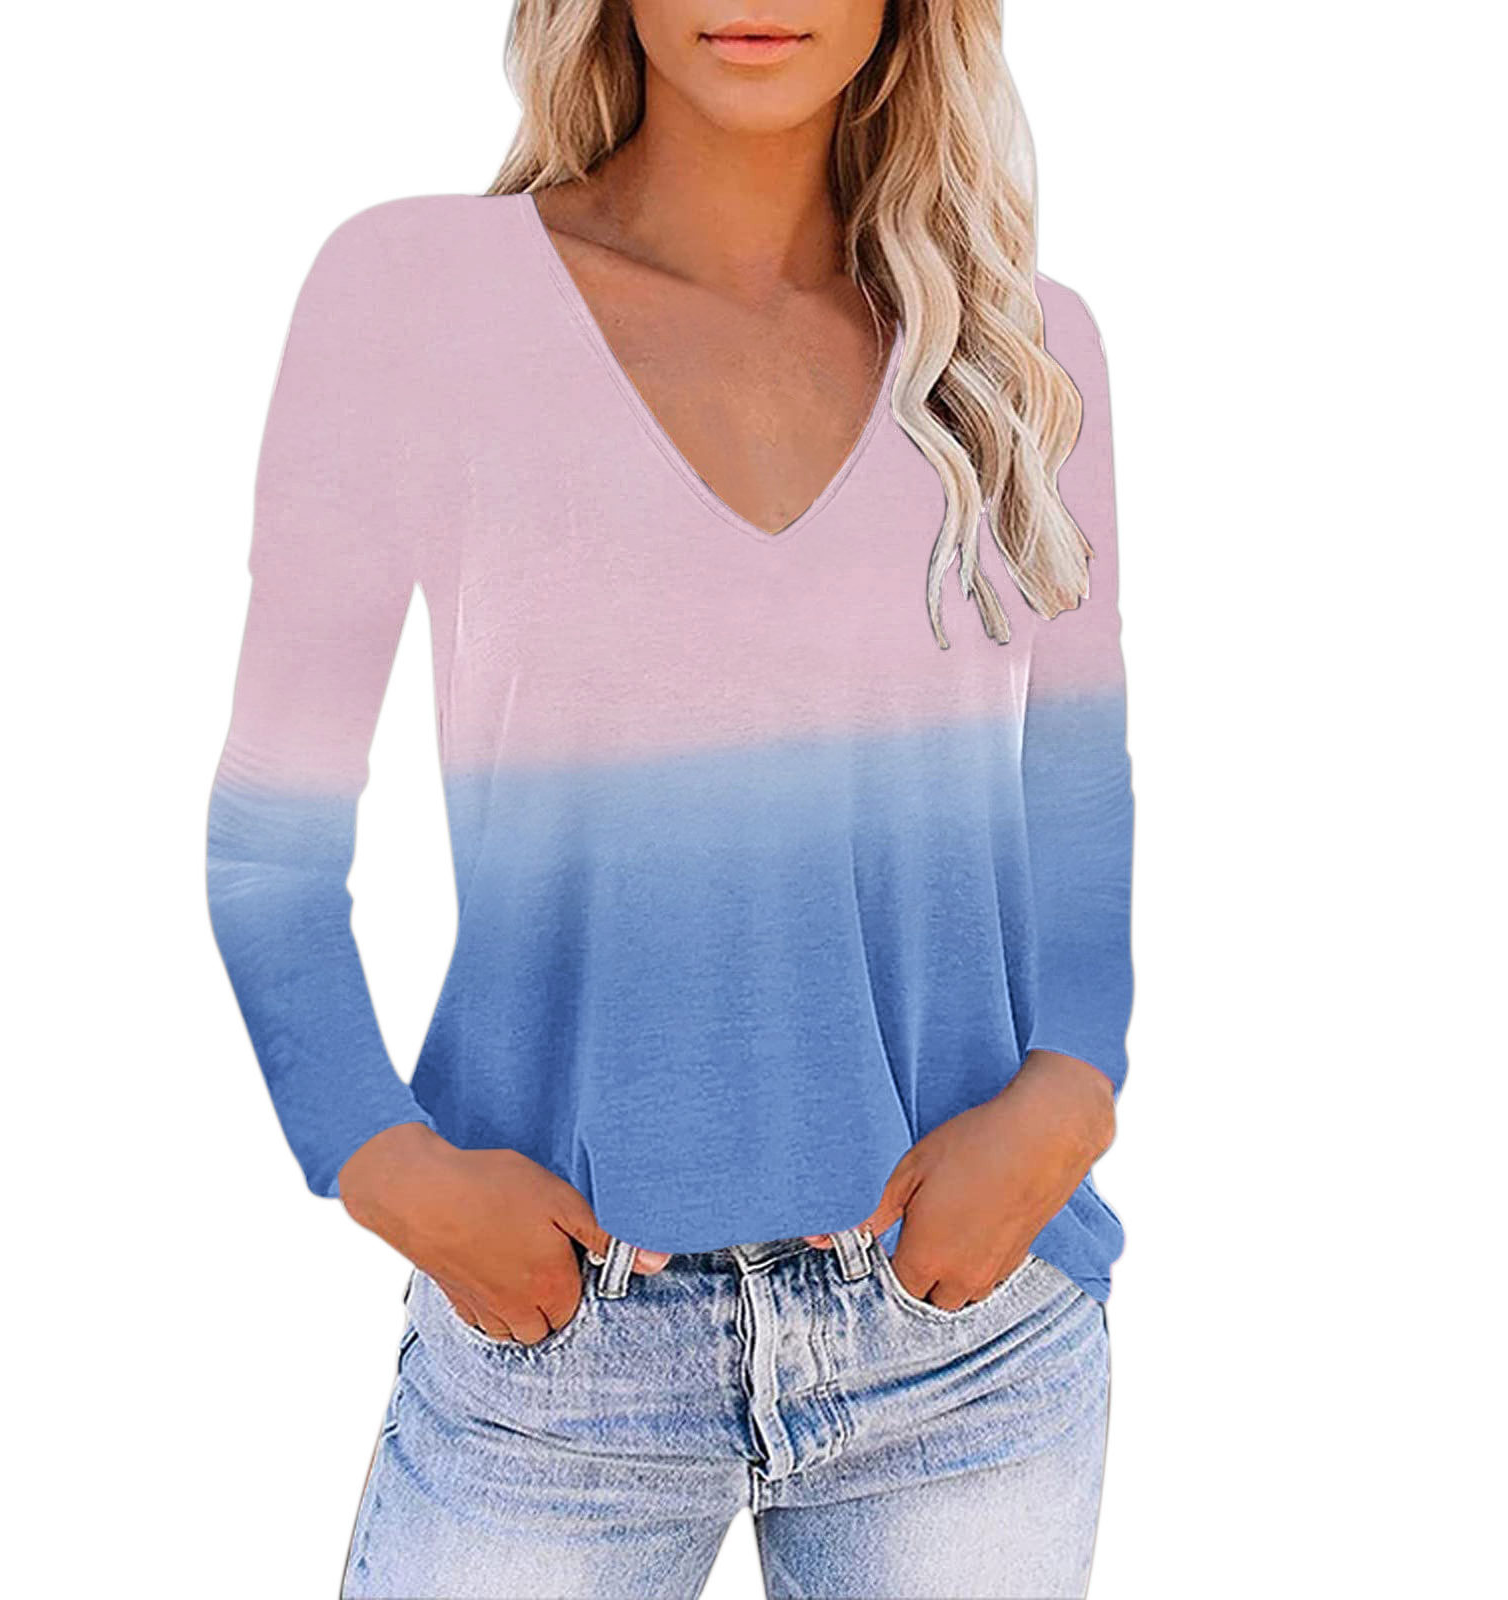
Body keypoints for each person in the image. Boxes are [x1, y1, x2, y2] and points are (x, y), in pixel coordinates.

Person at [204, 3, 1134, 1595]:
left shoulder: (1018, 350)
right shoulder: (416, 300)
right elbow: (272, 836)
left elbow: (1077, 787)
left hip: (964, 1341)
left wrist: (1073, 1087)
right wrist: (382, 1161)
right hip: (557, 1351)